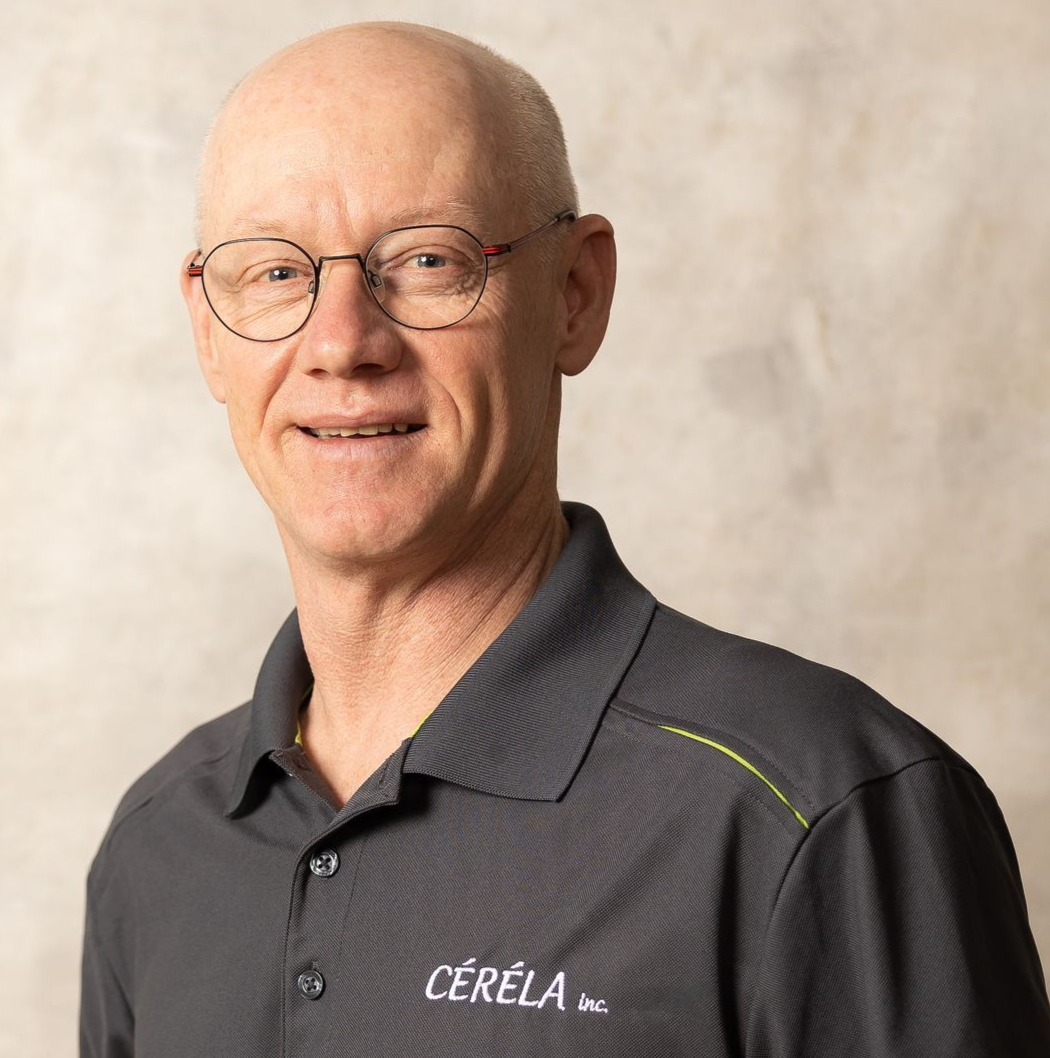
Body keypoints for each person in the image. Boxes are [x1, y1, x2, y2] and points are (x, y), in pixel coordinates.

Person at [79, 20, 1050, 1058]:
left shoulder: (819, 813)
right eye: (275, 272)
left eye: (427, 259)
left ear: (576, 296)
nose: (342, 343)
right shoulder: (157, 845)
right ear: (207, 328)